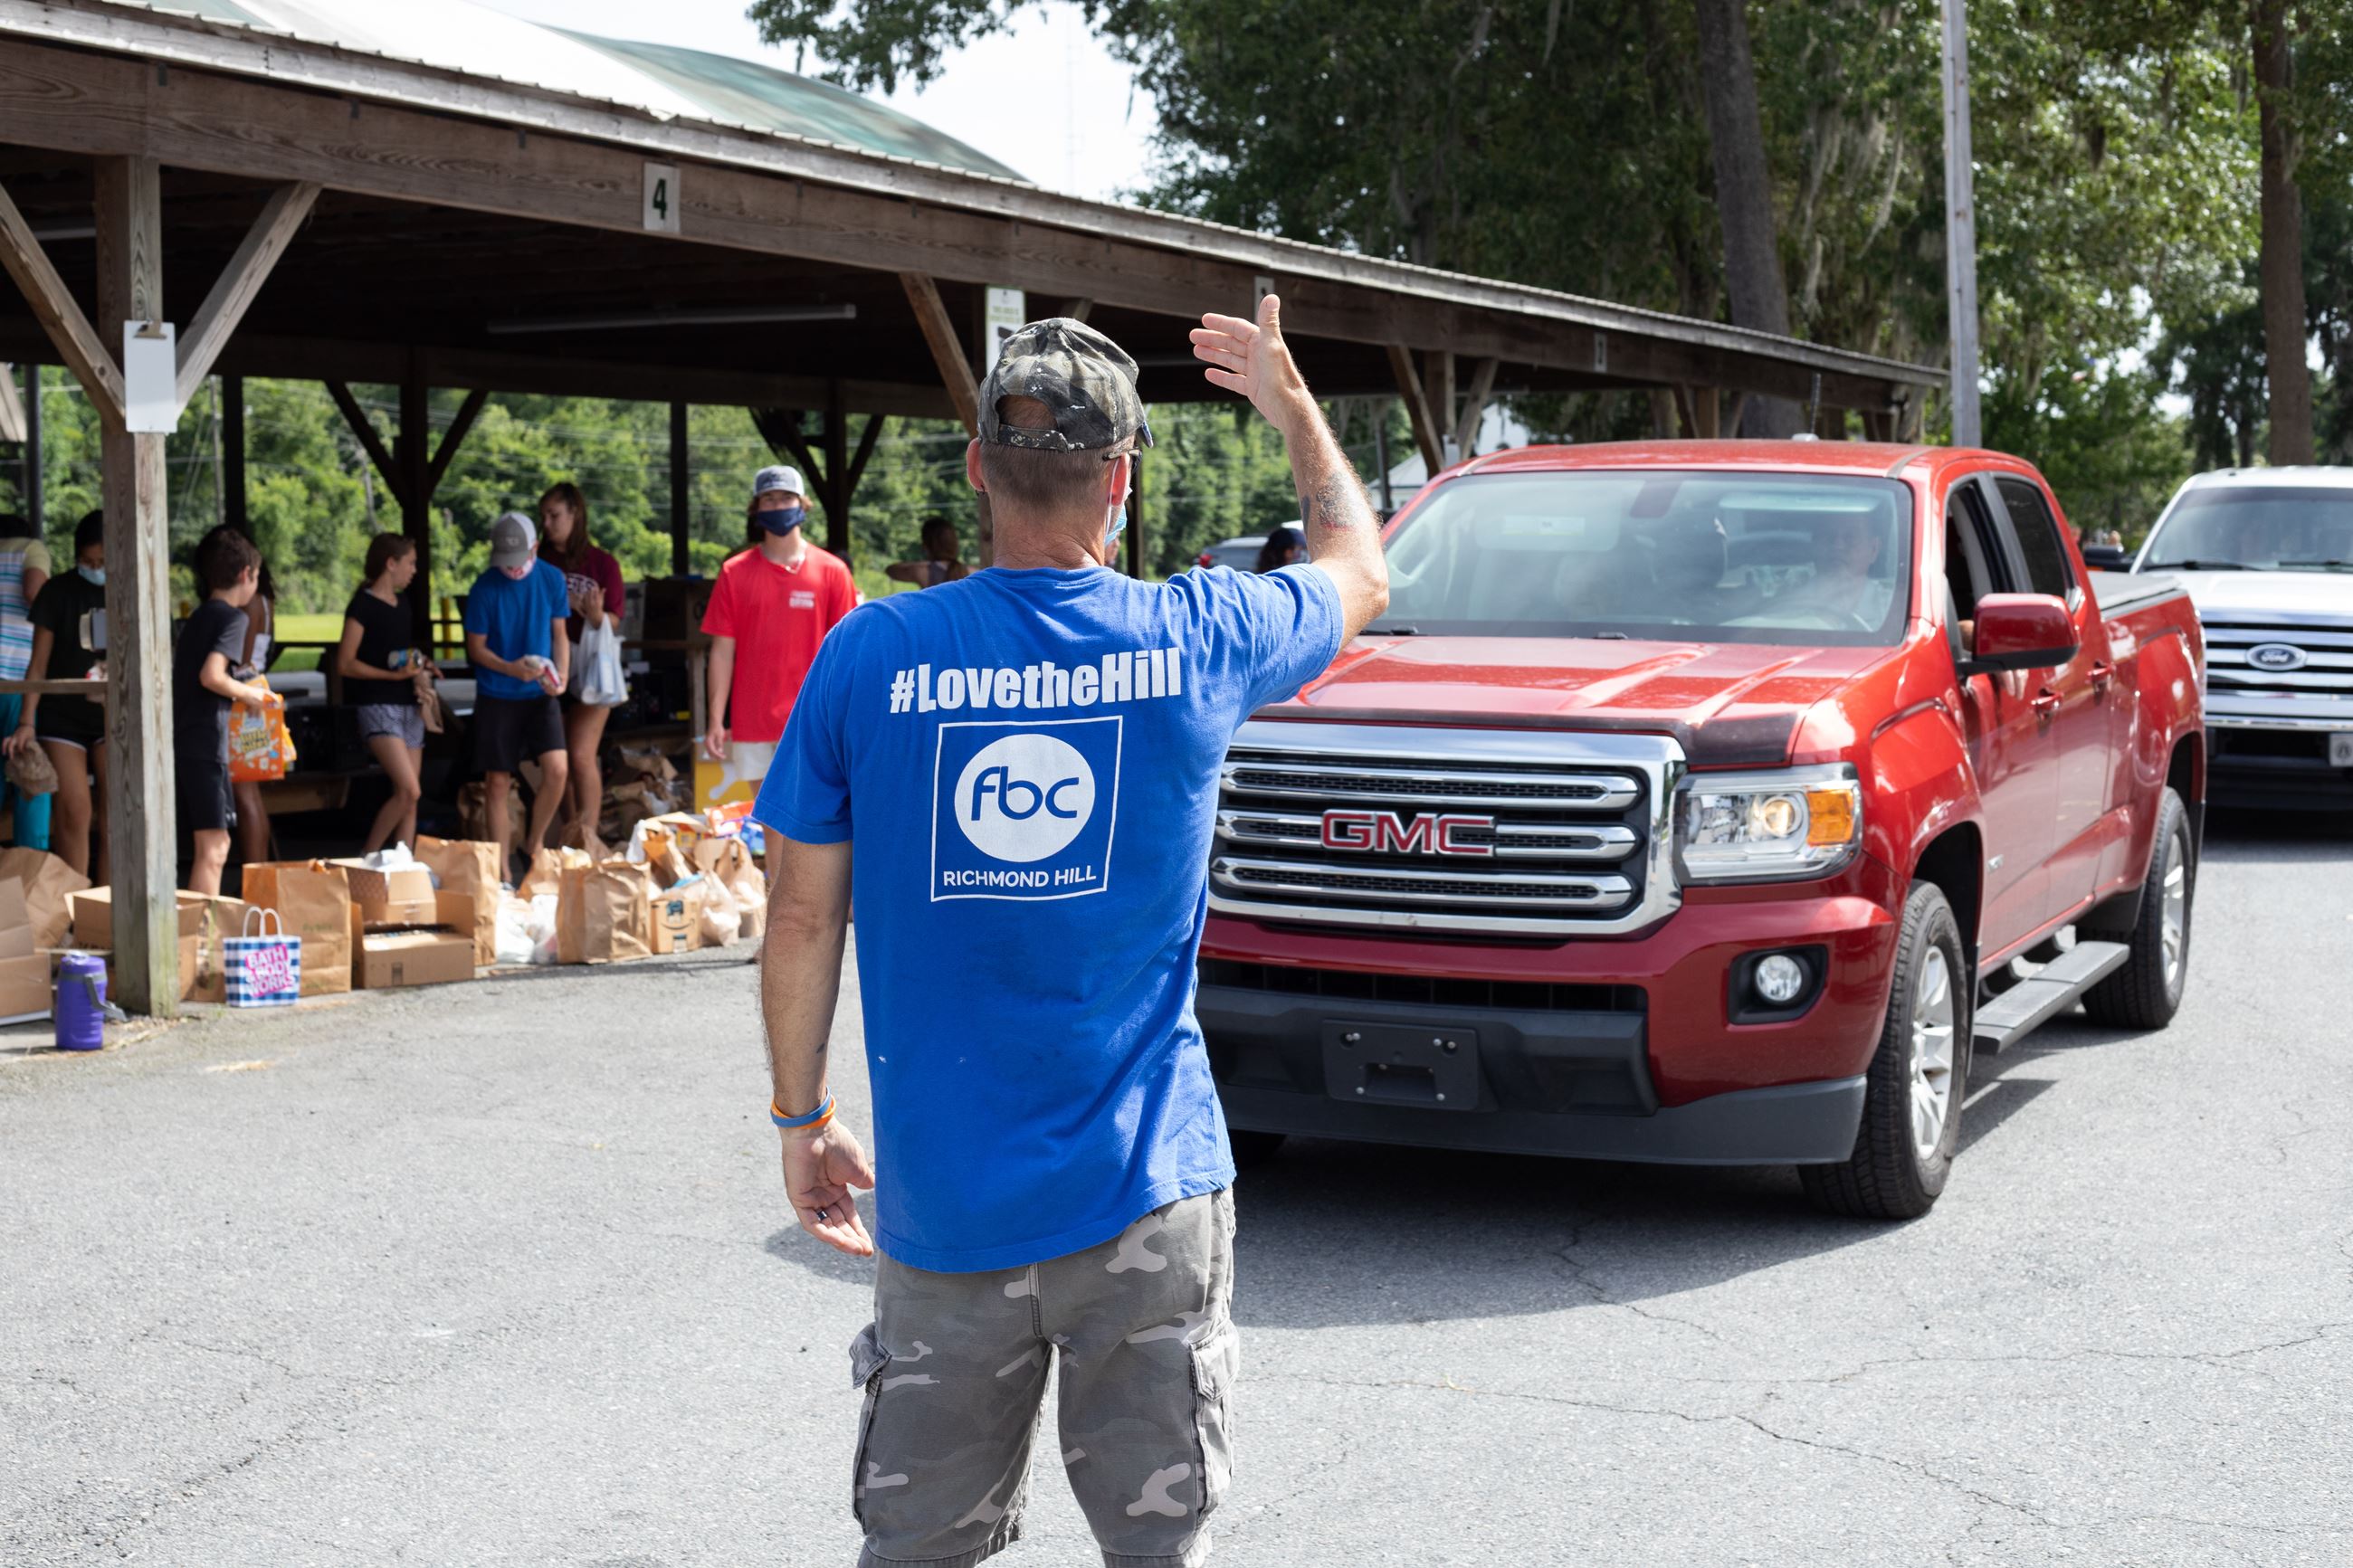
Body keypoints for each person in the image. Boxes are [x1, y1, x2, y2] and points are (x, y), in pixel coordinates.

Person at [752, 300, 1386, 1566]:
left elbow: (803, 911)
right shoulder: (1198, 635)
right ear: (1124, 481)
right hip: (1144, 1195)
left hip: (944, 1211)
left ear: (980, 466)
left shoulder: (872, 654)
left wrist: (801, 1117)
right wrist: (1293, 407)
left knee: (922, 1550)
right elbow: (1361, 567)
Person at [700, 465, 856, 807]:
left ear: (802, 504)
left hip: (813, 718)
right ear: (756, 510)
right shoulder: (734, 572)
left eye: (785, 498)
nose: (777, 506)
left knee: (812, 821)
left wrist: (847, 716)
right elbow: (722, 651)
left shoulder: (832, 571)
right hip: (752, 721)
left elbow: (846, 655)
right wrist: (715, 719)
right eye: (768, 500)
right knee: (771, 820)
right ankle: (773, 867)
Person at [464, 512, 569, 881]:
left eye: (519, 558)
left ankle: (533, 842)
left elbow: (560, 634)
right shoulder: (484, 588)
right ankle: (503, 869)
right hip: (497, 693)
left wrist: (563, 676)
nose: (512, 568)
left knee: (558, 770)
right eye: (504, 561)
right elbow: (475, 649)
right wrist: (511, 669)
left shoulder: (551, 579)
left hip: (540, 691)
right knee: (497, 780)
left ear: (534, 548)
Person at [8, 511, 109, 879]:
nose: (95, 568)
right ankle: (73, 907)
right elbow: (37, 664)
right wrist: (26, 722)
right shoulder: (58, 591)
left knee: (117, 813)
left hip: (113, 716)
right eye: (87, 561)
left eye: (102, 562)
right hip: (62, 716)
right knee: (75, 809)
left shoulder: (126, 588)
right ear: (75, 555)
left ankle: (110, 906)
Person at [175, 531, 275, 897]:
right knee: (215, 849)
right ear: (246, 574)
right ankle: (203, 941)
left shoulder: (199, 616)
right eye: (258, 576)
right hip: (206, 743)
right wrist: (254, 695)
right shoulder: (234, 619)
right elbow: (212, 676)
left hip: (186, 739)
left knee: (209, 846)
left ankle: (199, 936)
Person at [338, 533, 437, 854]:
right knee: (410, 790)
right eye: (410, 563)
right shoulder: (363, 605)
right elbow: (346, 663)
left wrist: (421, 665)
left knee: (409, 797)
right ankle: (368, 856)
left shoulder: (403, 604)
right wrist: (390, 675)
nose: (414, 570)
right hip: (377, 704)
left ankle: (403, 867)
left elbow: (397, 652)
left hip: (409, 705)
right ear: (390, 563)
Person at [538, 482, 625, 844]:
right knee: (557, 763)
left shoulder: (603, 563)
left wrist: (595, 614)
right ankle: (569, 831)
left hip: (591, 665)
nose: (547, 523)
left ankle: (588, 835)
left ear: (575, 514)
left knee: (580, 755)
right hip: (548, 665)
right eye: (543, 516)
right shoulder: (537, 561)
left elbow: (616, 618)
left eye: (555, 515)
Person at [195, 524, 279, 868]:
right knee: (250, 795)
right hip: (255, 688)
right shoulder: (265, 600)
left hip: (244, 697)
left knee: (246, 795)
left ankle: (256, 873)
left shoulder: (244, 609)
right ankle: (260, 870)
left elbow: (236, 660)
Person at [0, 516, 52, 850]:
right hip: (16, 674)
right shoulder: (30, 549)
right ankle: (30, 865)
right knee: (30, 775)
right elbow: (35, 591)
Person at [883, 514, 971, 590]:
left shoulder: (922, 570)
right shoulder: (971, 571)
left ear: (926, 545)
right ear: (955, 543)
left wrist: (926, 563)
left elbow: (890, 570)